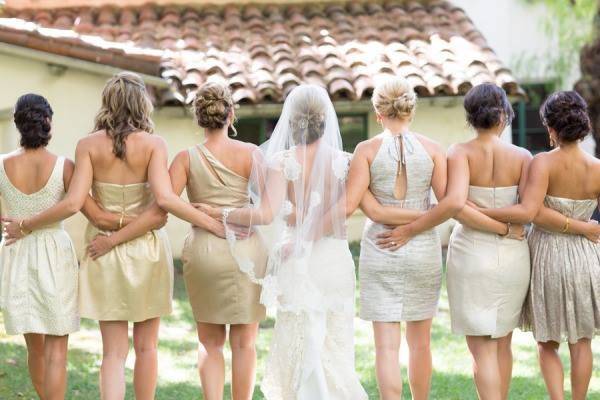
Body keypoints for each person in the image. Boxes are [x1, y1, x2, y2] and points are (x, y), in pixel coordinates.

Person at [4, 72, 222, 400]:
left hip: (102, 251)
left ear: (107, 103)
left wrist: (111, 232)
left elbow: (81, 205)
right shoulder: (154, 145)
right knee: (147, 348)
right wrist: (204, 219)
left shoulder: (87, 146)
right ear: (141, 104)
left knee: (112, 354)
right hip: (146, 250)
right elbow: (162, 204)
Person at [199, 84, 367, 399]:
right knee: (334, 343)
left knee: (300, 340)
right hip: (334, 259)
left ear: (290, 120)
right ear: (325, 119)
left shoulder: (281, 162)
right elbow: (345, 209)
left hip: (297, 260)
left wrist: (217, 210)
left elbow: (264, 214)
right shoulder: (345, 161)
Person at [0, 93, 138, 399]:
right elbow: (97, 216)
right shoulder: (64, 166)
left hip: (15, 253)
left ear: (18, 124)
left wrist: (14, 222)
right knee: (56, 352)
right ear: (48, 122)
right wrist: (139, 220)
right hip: (54, 254)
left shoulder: (1, 165)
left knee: (34, 349)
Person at [342, 76, 465, 400]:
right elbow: (444, 206)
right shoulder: (434, 150)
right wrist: (422, 217)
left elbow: (355, 206)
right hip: (423, 248)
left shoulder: (365, 151)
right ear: (411, 111)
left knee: (385, 346)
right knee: (420, 342)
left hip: (380, 249)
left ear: (378, 113)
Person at [475, 91, 600, 400]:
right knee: (582, 342)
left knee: (547, 343)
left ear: (551, 128)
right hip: (586, 257)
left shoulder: (542, 162)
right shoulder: (597, 167)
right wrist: (584, 226)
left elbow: (533, 212)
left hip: (548, 255)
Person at [166, 82, 266, 400]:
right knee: (245, 343)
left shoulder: (184, 158)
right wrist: (231, 215)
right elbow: (268, 208)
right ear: (231, 115)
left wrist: (210, 220)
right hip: (247, 250)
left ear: (198, 118)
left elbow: (166, 199)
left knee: (209, 343)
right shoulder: (252, 153)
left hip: (204, 251)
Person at [445, 83, 531, 400]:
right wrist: (505, 229)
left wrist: (489, 222)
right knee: (503, 343)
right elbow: (528, 209)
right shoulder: (522, 156)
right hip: (513, 257)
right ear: (504, 116)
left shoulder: (459, 152)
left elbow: (456, 206)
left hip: (470, 254)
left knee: (481, 351)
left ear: (471, 116)